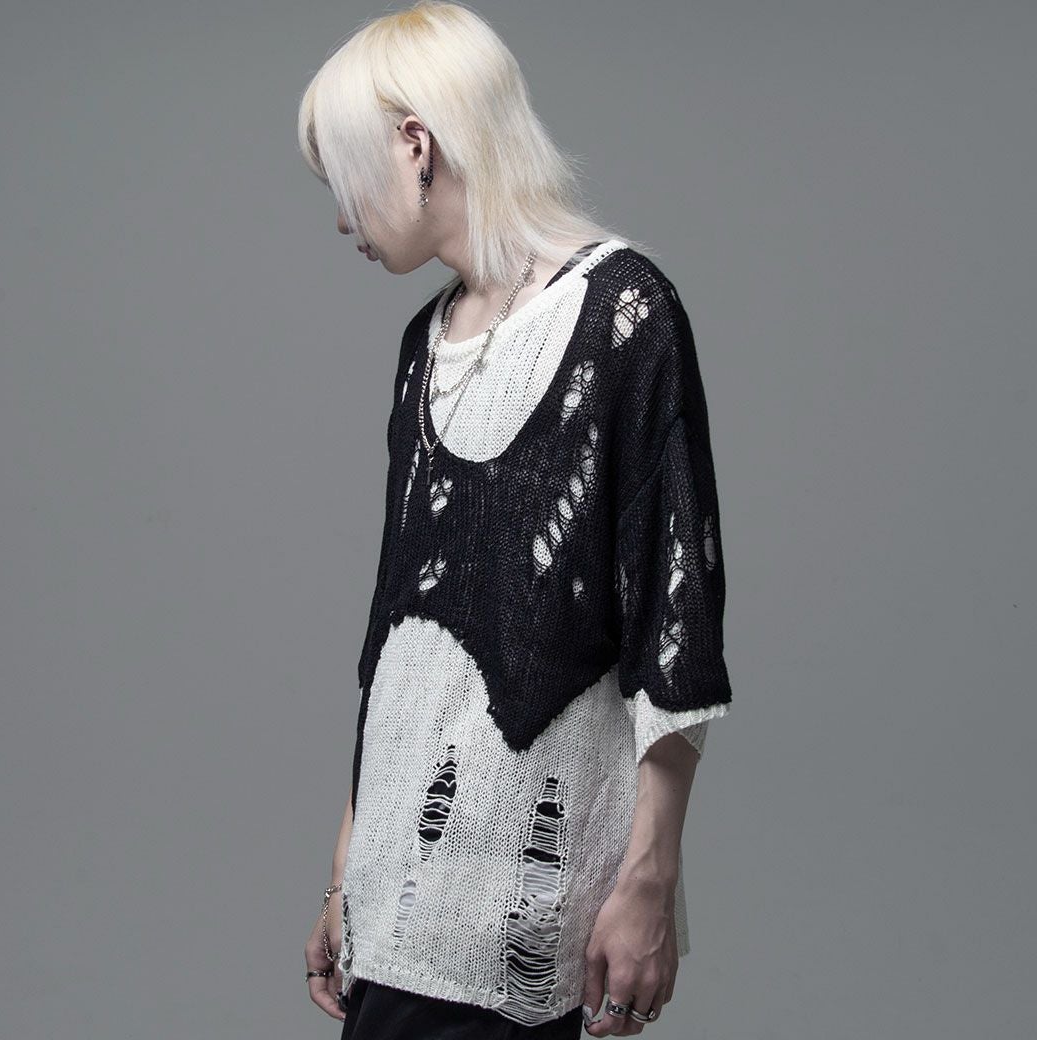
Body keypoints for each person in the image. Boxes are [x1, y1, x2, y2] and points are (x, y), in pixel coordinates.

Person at [297, 4, 733, 1037]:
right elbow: (395, 634)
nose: (341, 216)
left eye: (343, 174)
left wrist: (650, 878)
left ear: (415, 144)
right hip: (394, 902)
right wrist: (346, 868)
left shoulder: (623, 313)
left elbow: (675, 624)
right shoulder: (424, 344)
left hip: (522, 901)